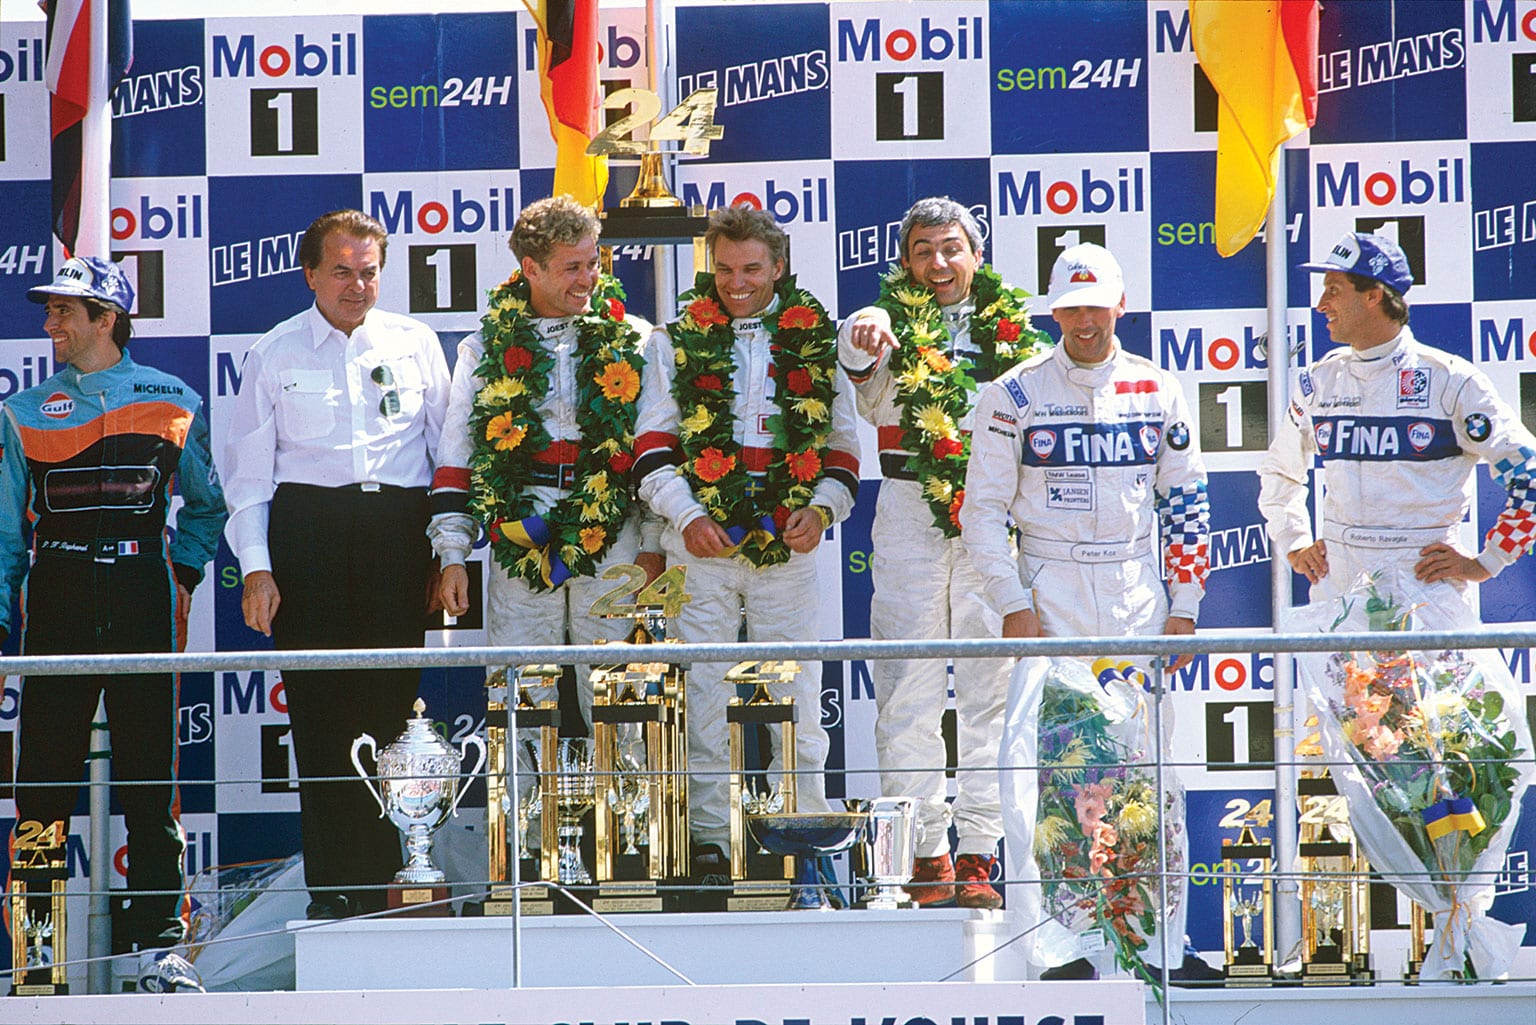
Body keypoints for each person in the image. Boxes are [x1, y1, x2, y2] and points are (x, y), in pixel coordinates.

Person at [961, 242, 1216, 981]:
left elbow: (1188, 504)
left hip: (1139, 594)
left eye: (1094, 305)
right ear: (1052, 310)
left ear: (1120, 306)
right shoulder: (1010, 395)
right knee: (1042, 775)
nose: (1082, 320)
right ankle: (1054, 949)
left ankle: (1161, 946)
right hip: (1051, 595)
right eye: (1068, 307)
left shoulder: (1160, 390)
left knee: (1150, 772)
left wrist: (1186, 609)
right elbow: (981, 514)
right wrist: (1012, 603)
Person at [1, 257, 225, 993]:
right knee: (41, 786)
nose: (50, 324)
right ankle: (39, 956)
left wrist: (183, 574)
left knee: (150, 780)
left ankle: (159, 951)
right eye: (50, 310)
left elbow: (207, 504)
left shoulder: (174, 398)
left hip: (139, 591)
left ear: (108, 318)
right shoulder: (23, 409)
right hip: (57, 590)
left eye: (66, 311)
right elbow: (7, 533)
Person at [223, 210, 451, 919]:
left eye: (370, 270)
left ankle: (398, 885)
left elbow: (448, 460)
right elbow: (249, 477)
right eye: (343, 271)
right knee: (321, 722)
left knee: (394, 721)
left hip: (397, 536)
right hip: (308, 538)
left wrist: (448, 554)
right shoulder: (274, 351)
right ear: (310, 274)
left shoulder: (416, 342)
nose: (358, 285)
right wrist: (258, 567)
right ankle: (336, 896)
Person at [633, 206, 861, 882]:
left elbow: (844, 448)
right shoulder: (672, 340)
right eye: (724, 269)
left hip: (785, 550)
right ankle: (709, 842)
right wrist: (685, 514)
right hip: (699, 548)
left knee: (794, 698)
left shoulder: (821, 338)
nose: (737, 283)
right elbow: (650, 449)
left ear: (779, 267)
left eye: (752, 269)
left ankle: (802, 842)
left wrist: (822, 509)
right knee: (702, 696)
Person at [837, 197, 1051, 908]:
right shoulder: (885, 324)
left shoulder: (1017, 334)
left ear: (976, 256)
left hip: (992, 521)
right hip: (909, 513)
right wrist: (858, 341)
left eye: (951, 248)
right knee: (908, 691)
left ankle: (981, 854)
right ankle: (924, 856)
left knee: (992, 695)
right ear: (905, 262)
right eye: (923, 250)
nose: (938, 263)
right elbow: (864, 393)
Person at [429, 194, 658, 755]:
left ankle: (625, 834)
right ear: (530, 269)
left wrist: (653, 546)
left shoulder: (635, 337)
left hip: (614, 530)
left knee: (618, 692)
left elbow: (657, 452)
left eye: (594, 261)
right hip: (519, 530)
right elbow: (456, 457)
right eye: (573, 266)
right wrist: (453, 555)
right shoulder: (485, 346)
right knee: (520, 693)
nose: (589, 278)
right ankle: (524, 837)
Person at [1258, 230, 1536, 601]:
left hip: (1426, 593)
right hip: (1340, 593)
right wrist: (1294, 542)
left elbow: (1530, 474)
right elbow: (1280, 472)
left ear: (1374, 296)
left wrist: (1488, 561)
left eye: (1334, 290)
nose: (1321, 304)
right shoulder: (1319, 382)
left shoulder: (1451, 380)